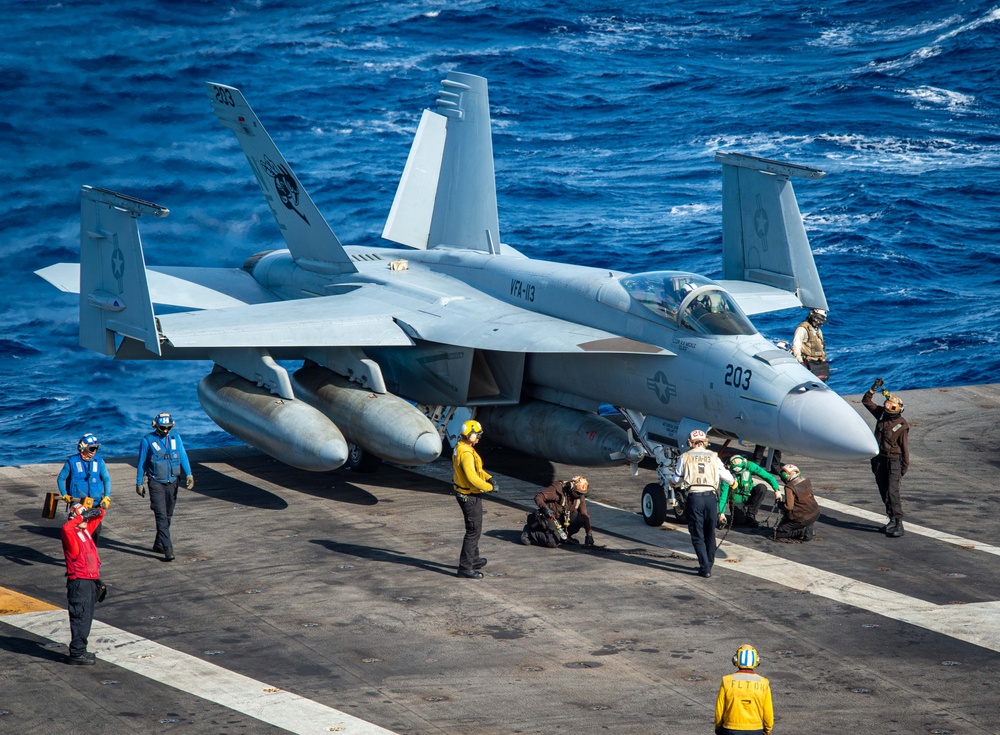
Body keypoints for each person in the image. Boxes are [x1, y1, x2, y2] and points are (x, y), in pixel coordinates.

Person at [671, 430, 734, 578]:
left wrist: (672, 483)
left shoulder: (685, 456)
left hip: (695, 498)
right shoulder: (714, 456)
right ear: (705, 441)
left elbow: (676, 479)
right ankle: (709, 564)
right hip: (711, 499)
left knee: (697, 534)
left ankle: (705, 567)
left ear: (690, 442)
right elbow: (727, 477)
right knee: (710, 533)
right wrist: (734, 483)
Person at [136, 412, 193, 562]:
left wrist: (189, 474)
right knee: (160, 514)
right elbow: (142, 463)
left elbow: (183, 456)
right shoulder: (147, 440)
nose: (166, 431)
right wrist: (139, 483)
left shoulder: (176, 439)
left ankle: (158, 543)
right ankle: (168, 548)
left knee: (168, 514)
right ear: (156, 426)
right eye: (163, 427)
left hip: (173, 482)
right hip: (156, 482)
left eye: (168, 427)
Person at [863, 378, 910, 537]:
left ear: (899, 410)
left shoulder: (902, 425)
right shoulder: (882, 414)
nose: (888, 410)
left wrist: (903, 467)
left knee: (892, 492)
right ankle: (891, 520)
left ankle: (899, 523)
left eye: (892, 408)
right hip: (879, 460)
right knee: (884, 491)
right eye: (888, 407)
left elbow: (904, 448)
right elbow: (866, 402)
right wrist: (873, 388)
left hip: (893, 461)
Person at [61, 502, 105, 665]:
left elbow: (100, 515)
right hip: (79, 583)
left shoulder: (84, 530)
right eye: (83, 517)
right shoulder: (71, 534)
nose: (87, 520)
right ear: (75, 518)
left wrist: (95, 510)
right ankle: (77, 652)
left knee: (86, 617)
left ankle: (80, 649)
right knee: (80, 616)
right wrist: (82, 516)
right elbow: (66, 528)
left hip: (88, 581)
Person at [452, 419, 493, 579]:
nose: (479, 438)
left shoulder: (461, 447)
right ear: (470, 435)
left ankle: (474, 560)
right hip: (469, 496)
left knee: (475, 529)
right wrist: (489, 487)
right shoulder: (466, 453)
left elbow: (477, 470)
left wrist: (489, 477)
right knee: (473, 531)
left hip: (465, 494)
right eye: (477, 435)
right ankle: (465, 567)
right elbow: (471, 478)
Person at [56, 433, 111, 543]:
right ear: (83, 448)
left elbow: (106, 479)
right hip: (78, 505)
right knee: (78, 534)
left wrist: (107, 496)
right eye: (92, 448)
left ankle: (91, 552)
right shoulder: (72, 462)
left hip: (95, 504)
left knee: (95, 531)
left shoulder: (99, 461)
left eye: (96, 448)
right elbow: (61, 479)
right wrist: (64, 494)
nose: (94, 451)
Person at [520, 476, 595, 548]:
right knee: (553, 542)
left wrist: (589, 534)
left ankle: (565, 537)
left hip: (562, 518)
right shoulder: (557, 489)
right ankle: (530, 532)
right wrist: (546, 509)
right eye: (578, 493)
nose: (580, 496)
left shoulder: (579, 495)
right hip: (549, 517)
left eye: (582, 494)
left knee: (580, 519)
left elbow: (584, 514)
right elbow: (538, 497)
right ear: (571, 487)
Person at [715, 644, 774, 735]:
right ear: (756, 661)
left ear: (736, 660)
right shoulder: (764, 683)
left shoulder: (727, 681)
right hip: (755, 729)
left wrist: (718, 726)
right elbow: (768, 710)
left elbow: (720, 708)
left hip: (730, 729)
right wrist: (768, 729)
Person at [719, 455, 779, 529]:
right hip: (736, 499)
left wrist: (777, 490)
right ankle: (741, 516)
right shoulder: (727, 475)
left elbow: (767, 476)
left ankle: (751, 514)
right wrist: (721, 513)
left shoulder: (750, 465)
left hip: (749, 494)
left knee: (762, 488)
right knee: (740, 522)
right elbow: (723, 495)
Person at [773, 464, 819, 541]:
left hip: (803, 518)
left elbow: (789, 507)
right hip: (815, 513)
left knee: (778, 533)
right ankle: (807, 526)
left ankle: (802, 532)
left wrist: (779, 504)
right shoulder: (806, 480)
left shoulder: (789, 487)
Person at [791, 308, 829, 381]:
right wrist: (800, 361)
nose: (819, 322)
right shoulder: (802, 329)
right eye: (818, 318)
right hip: (807, 362)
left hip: (817, 362)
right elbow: (796, 345)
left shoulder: (818, 331)